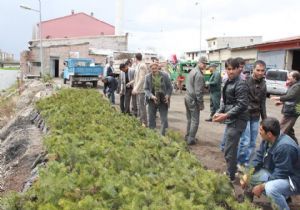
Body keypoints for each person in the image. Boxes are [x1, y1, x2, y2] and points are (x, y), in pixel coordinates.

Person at [240, 117, 300, 210]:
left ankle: (283, 205)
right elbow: (258, 158)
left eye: (261, 130)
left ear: (269, 134)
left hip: (293, 180)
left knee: (270, 189)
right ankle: (247, 202)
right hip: (279, 174)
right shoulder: (267, 140)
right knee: (251, 175)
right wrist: (247, 174)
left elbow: (281, 174)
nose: (259, 132)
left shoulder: (285, 147)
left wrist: (261, 187)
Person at [213, 58, 249, 181]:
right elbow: (226, 101)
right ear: (226, 69)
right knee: (229, 148)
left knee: (230, 149)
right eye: (229, 69)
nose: (231, 71)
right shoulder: (228, 81)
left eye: (233, 69)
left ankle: (230, 176)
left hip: (238, 119)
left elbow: (242, 105)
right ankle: (231, 172)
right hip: (232, 118)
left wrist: (226, 115)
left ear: (238, 69)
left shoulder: (240, 83)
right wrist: (218, 112)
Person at [237, 60, 267, 168]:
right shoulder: (246, 81)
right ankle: (238, 162)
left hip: (255, 116)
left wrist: (265, 119)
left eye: (262, 70)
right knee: (245, 141)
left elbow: (263, 102)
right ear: (253, 69)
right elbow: (242, 100)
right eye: (258, 70)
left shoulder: (264, 84)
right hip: (245, 115)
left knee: (253, 142)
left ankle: (246, 162)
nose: (260, 72)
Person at [271, 71, 300, 144]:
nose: (288, 77)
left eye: (290, 76)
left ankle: (274, 146)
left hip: (292, 111)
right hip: (291, 110)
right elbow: (294, 98)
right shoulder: (293, 85)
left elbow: (291, 96)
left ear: (295, 78)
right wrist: (281, 102)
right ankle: (296, 147)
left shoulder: (297, 86)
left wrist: (278, 98)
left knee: (281, 129)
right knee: (289, 131)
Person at [144, 62, 173, 135]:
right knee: (151, 117)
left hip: (163, 99)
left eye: (155, 68)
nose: (154, 70)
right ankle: (152, 133)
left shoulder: (165, 75)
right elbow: (146, 89)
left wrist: (167, 95)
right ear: (150, 69)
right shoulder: (147, 77)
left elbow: (170, 87)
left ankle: (163, 134)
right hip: (152, 100)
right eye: (152, 69)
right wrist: (151, 96)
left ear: (158, 68)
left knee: (164, 118)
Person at [185, 56, 208, 145]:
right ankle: (191, 139)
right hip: (193, 99)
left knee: (190, 119)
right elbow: (198, 92)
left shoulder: (192, 71)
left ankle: (188, 136)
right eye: (204, 63)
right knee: (195, 120)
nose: (205, 65)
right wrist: (201, 104)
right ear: (200, 63)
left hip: (187, 96)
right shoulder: (198, 74)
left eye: (205, 64)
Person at [132, 53, 148, 126]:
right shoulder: (138, 65)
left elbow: (142, 78)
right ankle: (141, 121)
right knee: (140, 106)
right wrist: (131, 83)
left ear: (136, 58)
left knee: (142, 106)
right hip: (139, 89)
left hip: (141, 90)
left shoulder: (142, 65)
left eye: (134, 58)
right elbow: (137, 78)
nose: (133, 60)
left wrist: (135, 88)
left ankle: (144, 122)